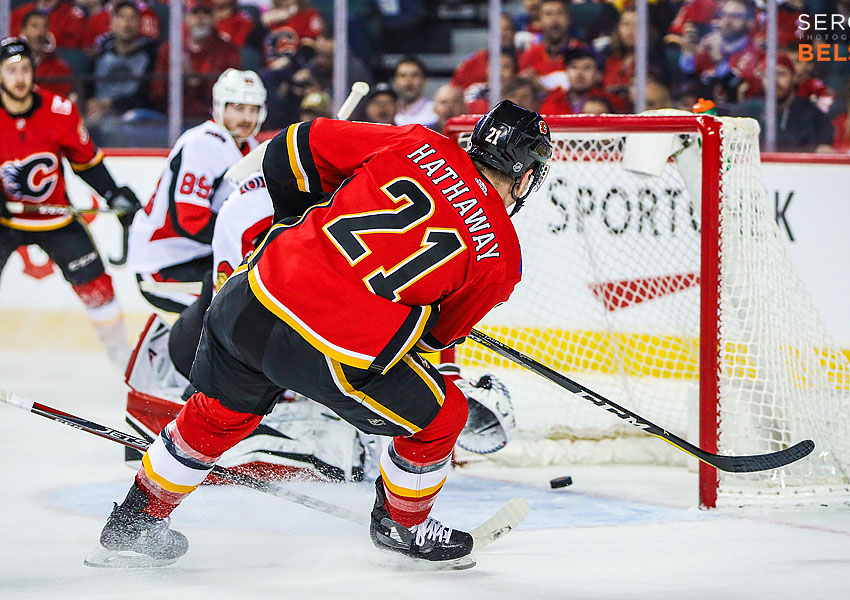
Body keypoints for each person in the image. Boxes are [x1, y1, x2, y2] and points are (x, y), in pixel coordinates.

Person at [93, 100, 552, 567]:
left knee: (219, 414)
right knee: (443, 416)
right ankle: (403, 525)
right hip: (328, 350)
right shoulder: (502, 256)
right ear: (524, 177)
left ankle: (135, 521)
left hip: (252, 295)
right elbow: (434, 339)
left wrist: (301, 227)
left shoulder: (419, 142)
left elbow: (291, 147)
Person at [0, 37, 140, 368]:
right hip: (4, 221)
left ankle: (120, 354)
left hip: (55, 218)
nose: (20, 78)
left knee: (97, 286)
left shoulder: (59, 110)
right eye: (11, 71)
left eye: (25, 69)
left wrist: (112, 192)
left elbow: (85, 162)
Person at [128, 68, 266, 314]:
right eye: (238, 108)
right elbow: (190, 220)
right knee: (230, 313)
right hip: (164, 262)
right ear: (220, 107)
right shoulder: (202, 145)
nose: (247, 118)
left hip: (202, 256)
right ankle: (170, 340)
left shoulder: (253, 148)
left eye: (253, 109)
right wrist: (248, 241)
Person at [150, 0, 240, 120]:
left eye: (206, 13)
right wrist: (178, 83)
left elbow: (231, 94)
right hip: (169, 118)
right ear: (185, 18)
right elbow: (156, 93)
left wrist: (196, 84)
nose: (200, 18)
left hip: (212, 117)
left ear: (214, 19)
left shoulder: (228, 50)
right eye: (195, 13)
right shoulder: (169, 49)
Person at [735, 53, 833, 153]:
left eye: (781, 74)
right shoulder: (748, 112)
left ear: (793, 77)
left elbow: (824, 151)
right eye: (768, 75)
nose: (774, 81)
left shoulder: (814, 116)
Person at [85, 0, 157, 125]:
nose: (126, 23)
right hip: (98, 117)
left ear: (139, 24)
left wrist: (110, 103)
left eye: (132, 18)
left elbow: (145, 97)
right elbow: (86, 90)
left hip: (136, 119)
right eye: (121, 17)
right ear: (112, 23)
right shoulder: (99, 58)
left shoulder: (150, 58)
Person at [517, 0, 587, 92]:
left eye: (560, 13)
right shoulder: (528, 56)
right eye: (548, 14)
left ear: (569, 19)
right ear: (539, 21)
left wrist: (541, 88)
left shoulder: (584, 52)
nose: (554, 19)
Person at [18, 10, 74, 98]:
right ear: (23, 30)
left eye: (44, 26)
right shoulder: (11, 66)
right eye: (34, 26)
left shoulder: (60, 68)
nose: (40, 33)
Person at [393, 55, 437, 128]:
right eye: (403, 76)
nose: (408, 82)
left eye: (414, 75)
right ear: (395, 81)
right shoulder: (387, 113)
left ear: (424, 80)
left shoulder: (435, 111)